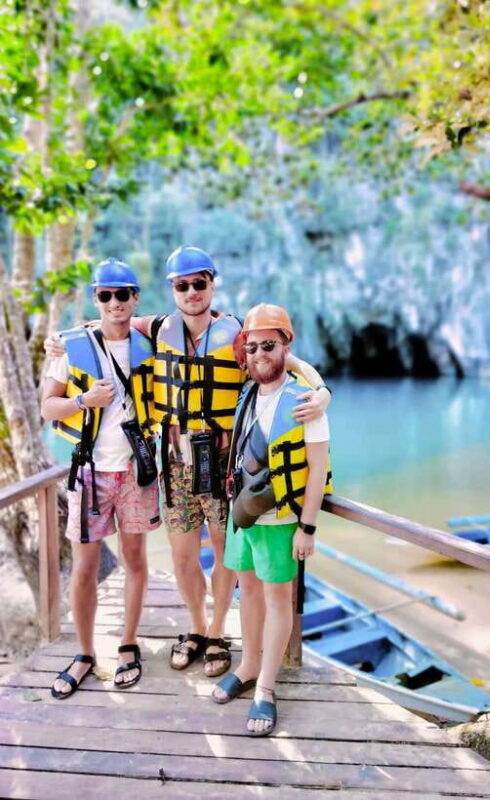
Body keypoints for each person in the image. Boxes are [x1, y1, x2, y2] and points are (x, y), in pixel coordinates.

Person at [44, 246, 330, 679]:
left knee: (225, 554)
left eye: (200, 283)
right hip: (175, 462)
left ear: (212, 283)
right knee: (182, 556)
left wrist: (322, 390)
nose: (192, 291)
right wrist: (62, 339)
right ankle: (196, 627)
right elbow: (108, 322)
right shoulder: (158, 327)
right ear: (172, 289)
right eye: (183, 285)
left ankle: (217, 633)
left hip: (223, 464)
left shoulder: (238, 334)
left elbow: (287, 361)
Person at [211, 303, 331, 737]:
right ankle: (247, 665)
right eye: (253, 346)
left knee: (278, 600)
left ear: (286, 347)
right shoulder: (248, 394)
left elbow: (317, 469)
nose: (260, 353)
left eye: (270, 345)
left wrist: (308, 527)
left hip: (280, 520)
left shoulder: (305, 402)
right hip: (243, 513)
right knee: (247, 591)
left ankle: (266, 686)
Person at [41, 259, 160, 698]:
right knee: (85, 567)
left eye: (122, 294)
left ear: (135, 298)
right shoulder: (70, 348)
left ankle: (128, 644)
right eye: (106, 295)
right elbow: (47, 407)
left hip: (135, 471)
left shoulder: (149, 345)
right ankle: (85, 653)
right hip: (90, 470)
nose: (114, 302)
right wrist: (84, 401)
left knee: (135, 559)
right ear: (96, 298)